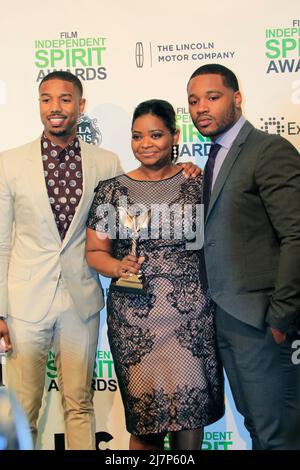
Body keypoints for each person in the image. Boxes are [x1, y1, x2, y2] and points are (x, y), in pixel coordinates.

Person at [85, 99, 224, 451]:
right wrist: (118, 267)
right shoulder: (111, 190)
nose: (145, 144)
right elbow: (95, 252)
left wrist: (193, 169)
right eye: (137, 136)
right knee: (146, 422)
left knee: (189, 417)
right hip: (136, 319)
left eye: (156, 134)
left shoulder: (198, 183)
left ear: (175, 136)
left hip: (191, 317)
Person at [0, 71, 123, 450]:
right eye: (46, 99)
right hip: (25, 303)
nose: (55, 108)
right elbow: (2, 242)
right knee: (23, 407)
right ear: (39, 104)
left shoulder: (106, 163)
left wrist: (178, 168)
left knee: (79, 404)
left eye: (65, 99)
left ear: (80, 106)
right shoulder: (9, 162)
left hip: (80, 300)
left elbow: (120, 225)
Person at [187, 63, 300, 450]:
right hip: (224, 319)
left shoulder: (268, 149)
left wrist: (281, 317)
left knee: (278, 435)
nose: (201, 107)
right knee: (257, 428)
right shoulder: (214, 157)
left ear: (237, 99)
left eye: (212, 97)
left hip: (262, 324)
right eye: (193, 101)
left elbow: (296, 235)